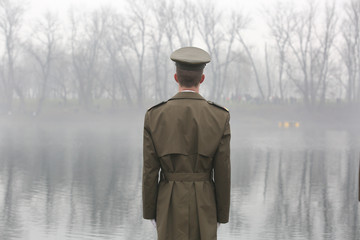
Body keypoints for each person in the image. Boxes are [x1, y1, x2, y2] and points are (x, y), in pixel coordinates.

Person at [142, 46, 231, 240]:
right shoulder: (219, 116)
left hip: (167, 203)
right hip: (206, 203)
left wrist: (150, 212)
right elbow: (222, 171)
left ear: (176, 78)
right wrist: (221, 215)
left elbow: (150, 171)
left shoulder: (154, 116)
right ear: (202, 79)